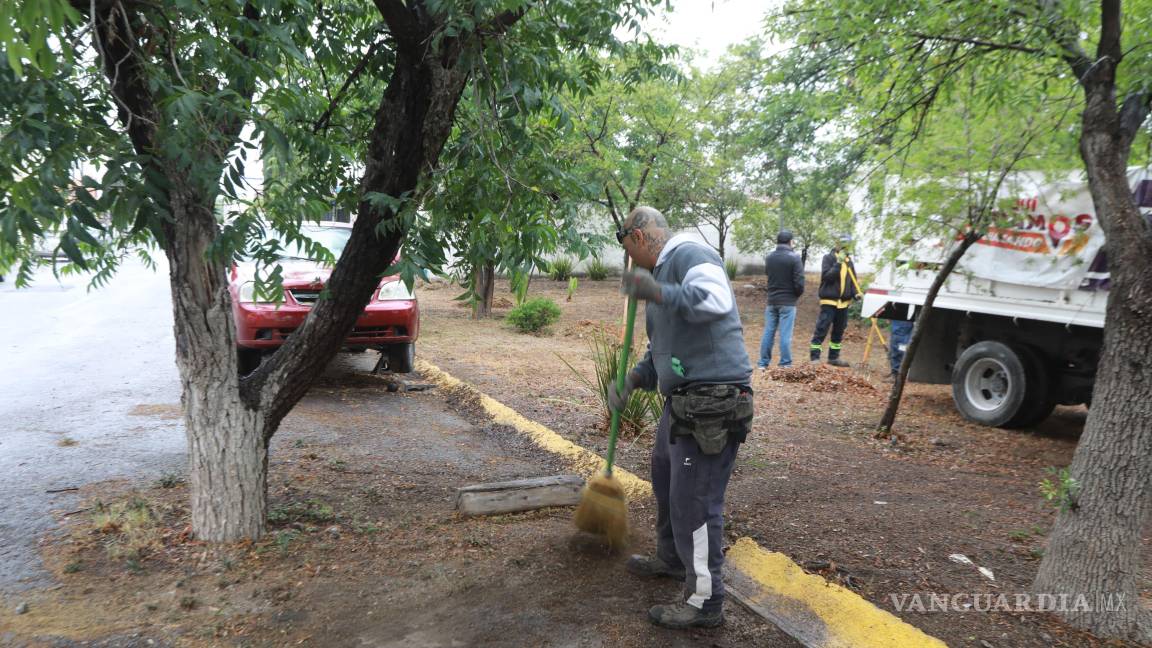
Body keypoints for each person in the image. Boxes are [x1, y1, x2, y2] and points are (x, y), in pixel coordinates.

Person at [608, 206, 754, 630]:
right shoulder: (662, 276)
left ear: (638, 237)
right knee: (666, 478)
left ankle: (705, 601)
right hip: (684, 402)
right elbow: (661, 352)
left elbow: (715, 301)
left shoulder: (691, 254)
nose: (630, 260)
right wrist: (633, 380)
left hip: (712, 402)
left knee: (695, 502)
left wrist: (656, 291)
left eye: (627, 249)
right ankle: (672, 558)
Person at [809, 235, 859, 367]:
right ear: (837, 244)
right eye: (842, 244)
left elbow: (852, 282)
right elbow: (827, 277)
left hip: (843, 303)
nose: (845, 248)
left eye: (847, 245)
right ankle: (814, 357)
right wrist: (838, 263)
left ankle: (833, 357)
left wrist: (856, 294)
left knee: (839, 331)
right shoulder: (828, 258)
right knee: (822, 328)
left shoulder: (849, 262)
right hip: (829, 301)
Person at [757, 230, 804, 369]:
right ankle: (785, 363)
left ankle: (763, 363)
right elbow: (799, 282)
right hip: (788, 302)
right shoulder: (795, 258)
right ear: (790, 241)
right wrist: (795, 295)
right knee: (785, 334)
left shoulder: (769, 258)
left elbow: (769, 275)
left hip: (772, 301)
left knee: (768, 332)